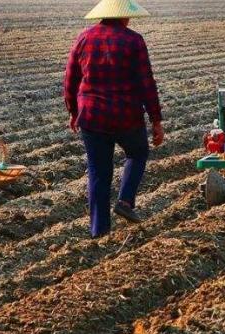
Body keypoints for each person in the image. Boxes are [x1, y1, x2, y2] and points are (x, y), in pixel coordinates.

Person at [64, 0, 164, 238]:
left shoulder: (84, 38)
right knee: (137, 153)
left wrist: (73, 111)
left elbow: (70, 78)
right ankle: (126, 201)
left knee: (98, 172)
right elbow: (146, 83)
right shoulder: (134, 41)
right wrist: (156, 120)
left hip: (92, 116)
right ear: (124, 17)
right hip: (126, 115)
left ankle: (99, 231)